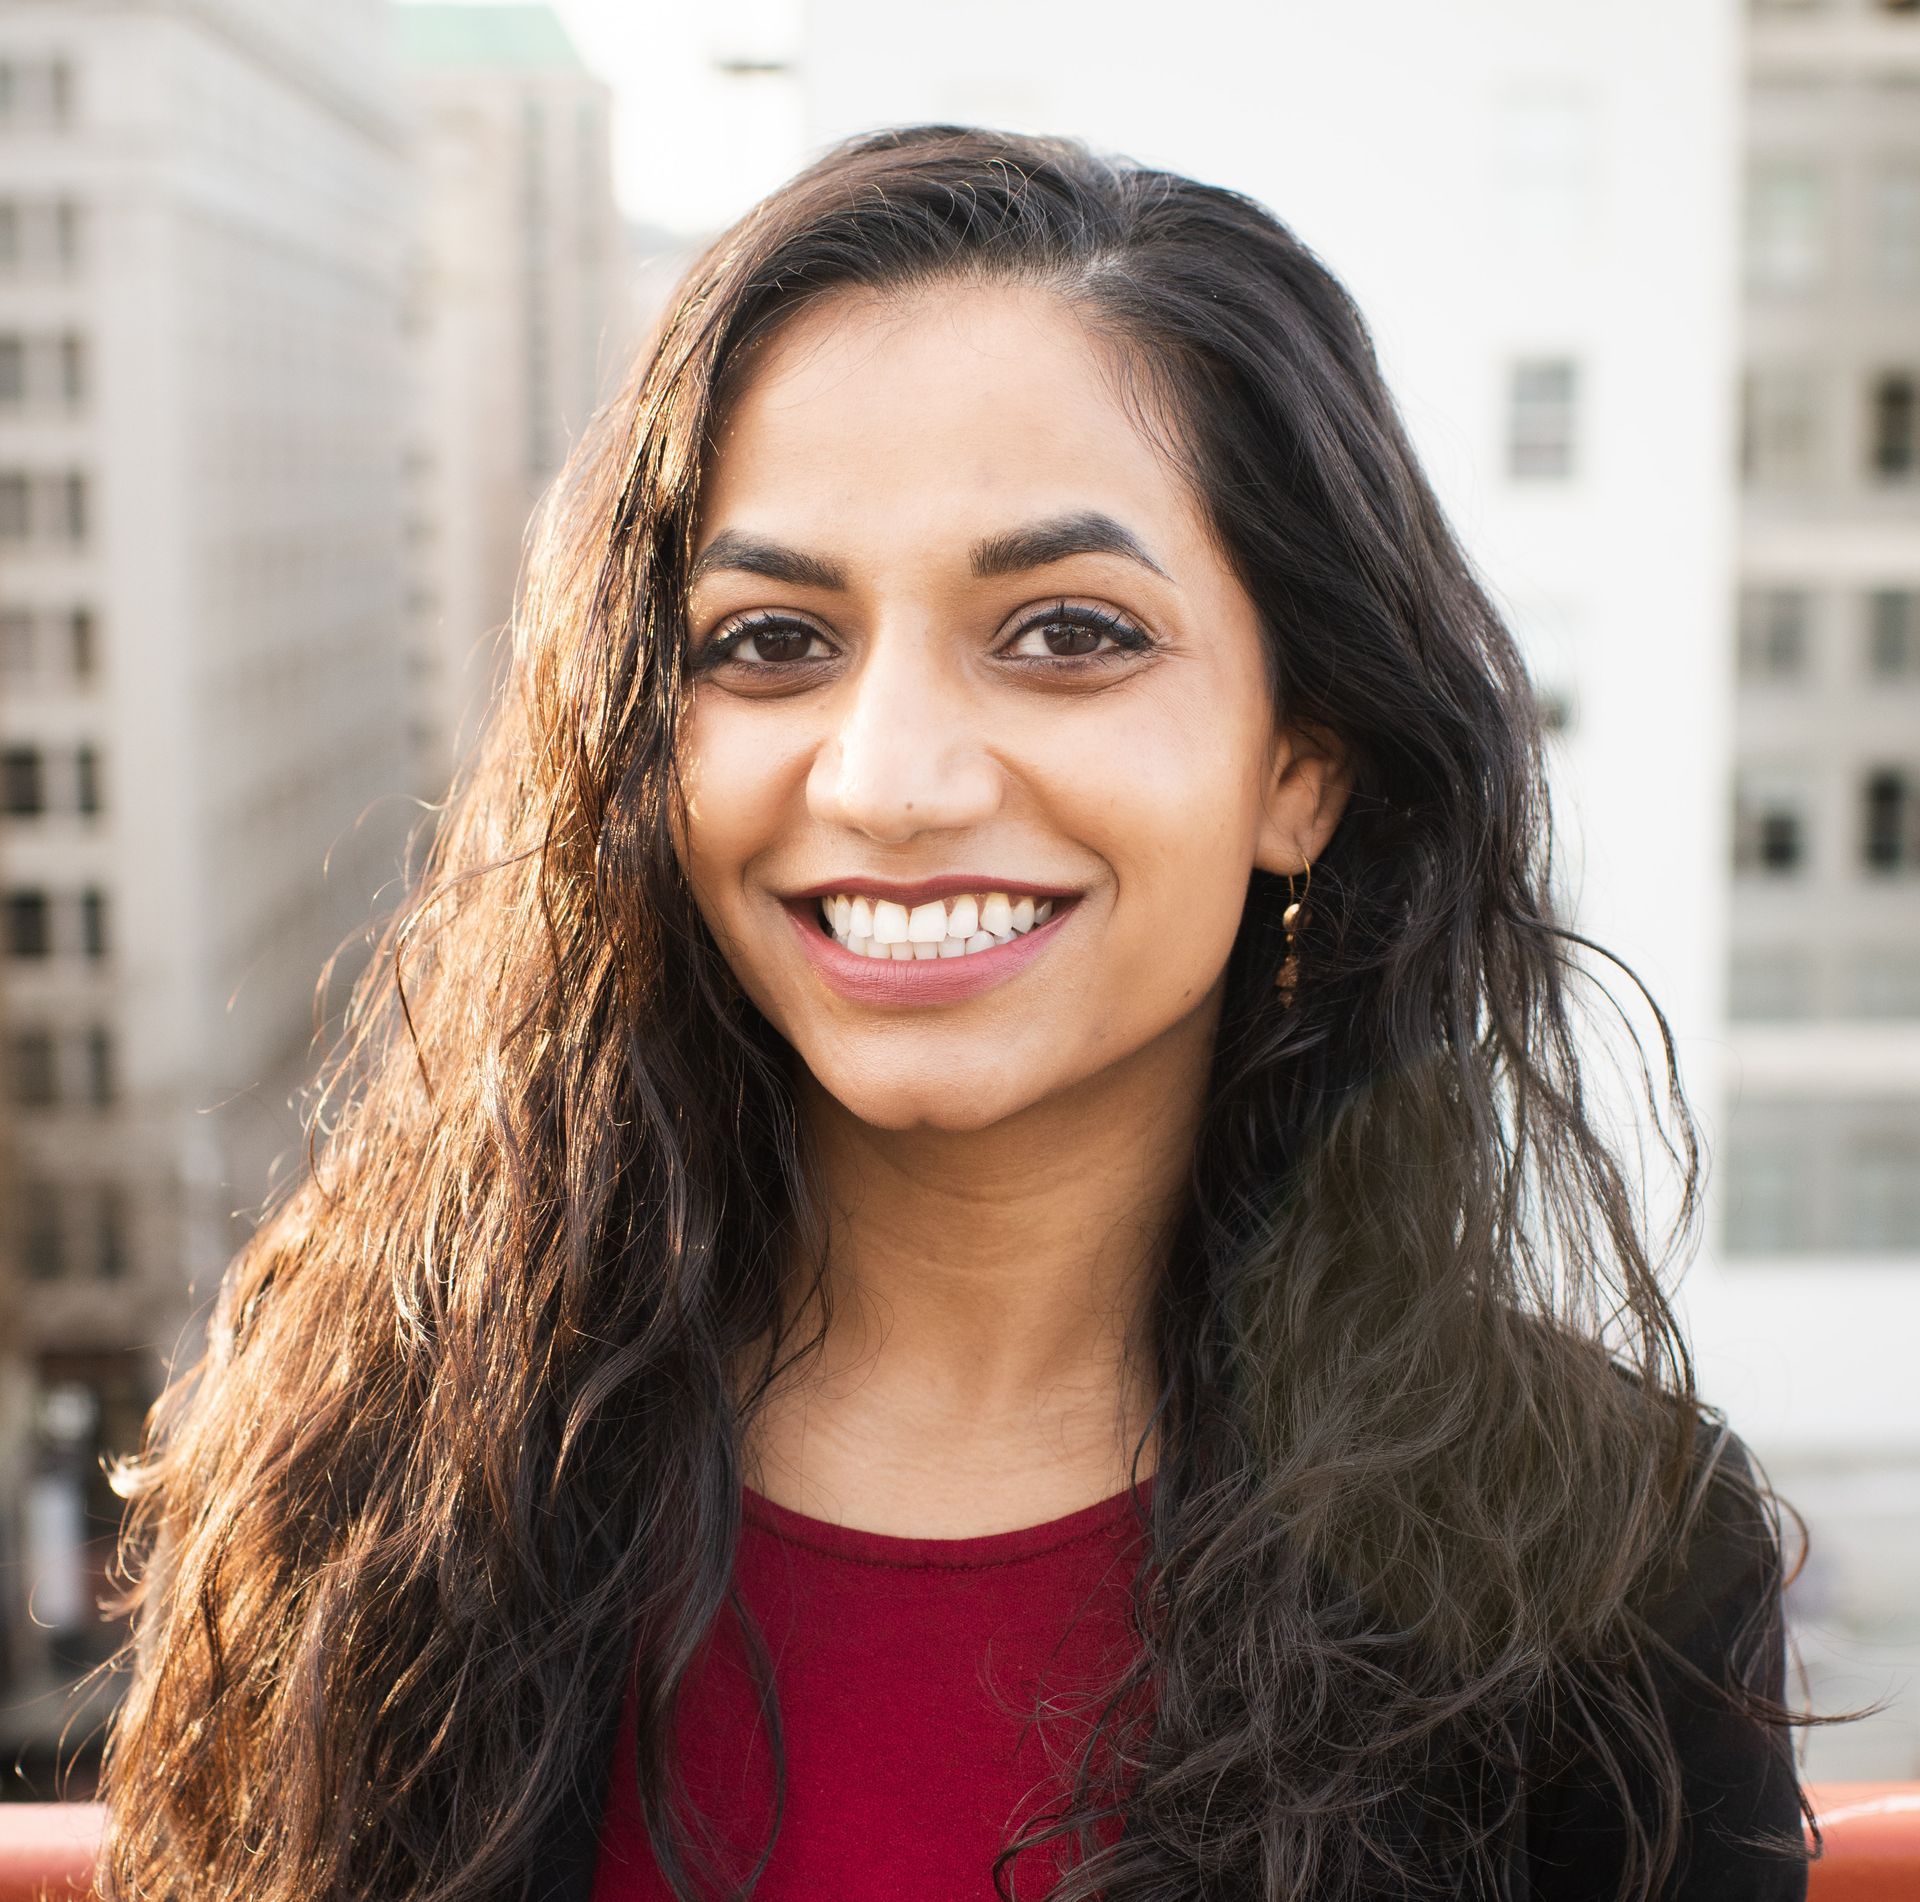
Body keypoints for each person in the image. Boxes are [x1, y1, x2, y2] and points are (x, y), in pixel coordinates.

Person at [96, 127, 1812, 1901]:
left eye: (1068, 631)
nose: (894, 779)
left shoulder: (1610, 1562)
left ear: (1300, 761)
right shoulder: (379, 1478)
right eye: (768, 640)